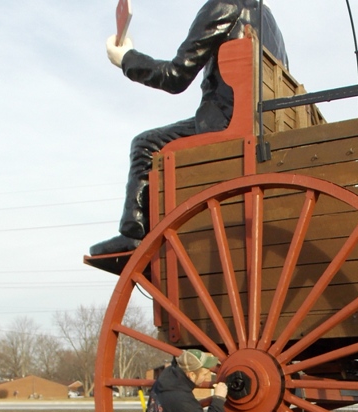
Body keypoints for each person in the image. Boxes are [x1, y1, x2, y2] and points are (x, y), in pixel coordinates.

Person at [90, 0, 288, 256]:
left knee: (144, 144)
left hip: (225, 122)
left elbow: (176, 76)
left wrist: (126, 59)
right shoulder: (272, 24)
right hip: (261, 125)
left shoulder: (224, 5)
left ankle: (134, 234)